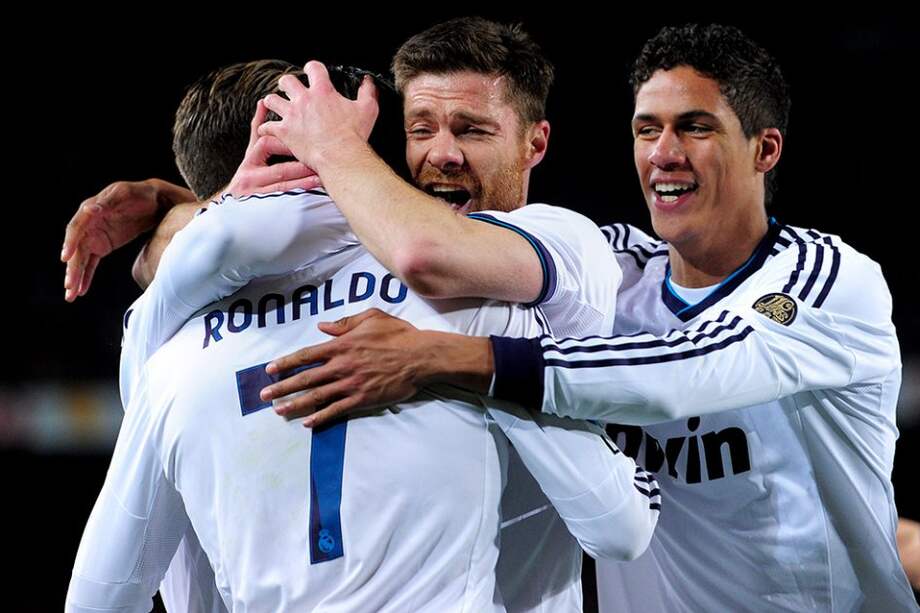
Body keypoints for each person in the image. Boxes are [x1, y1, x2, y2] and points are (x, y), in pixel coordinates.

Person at [256, 24, 917, 611]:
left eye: (695, 126)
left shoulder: (828, 282)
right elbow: (460, 243)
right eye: (645, 128)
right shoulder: (615, 268)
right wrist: (197, 213)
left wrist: (441, 355)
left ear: (764, 151)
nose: (663, 152)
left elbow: (683, 370)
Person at [62, 18, 634, 609]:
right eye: (416, 130)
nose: (441, 154)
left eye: (472, 129)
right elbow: (622, 528)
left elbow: (100, 594)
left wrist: (189, 209)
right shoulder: (476, 302)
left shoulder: (161, 338)